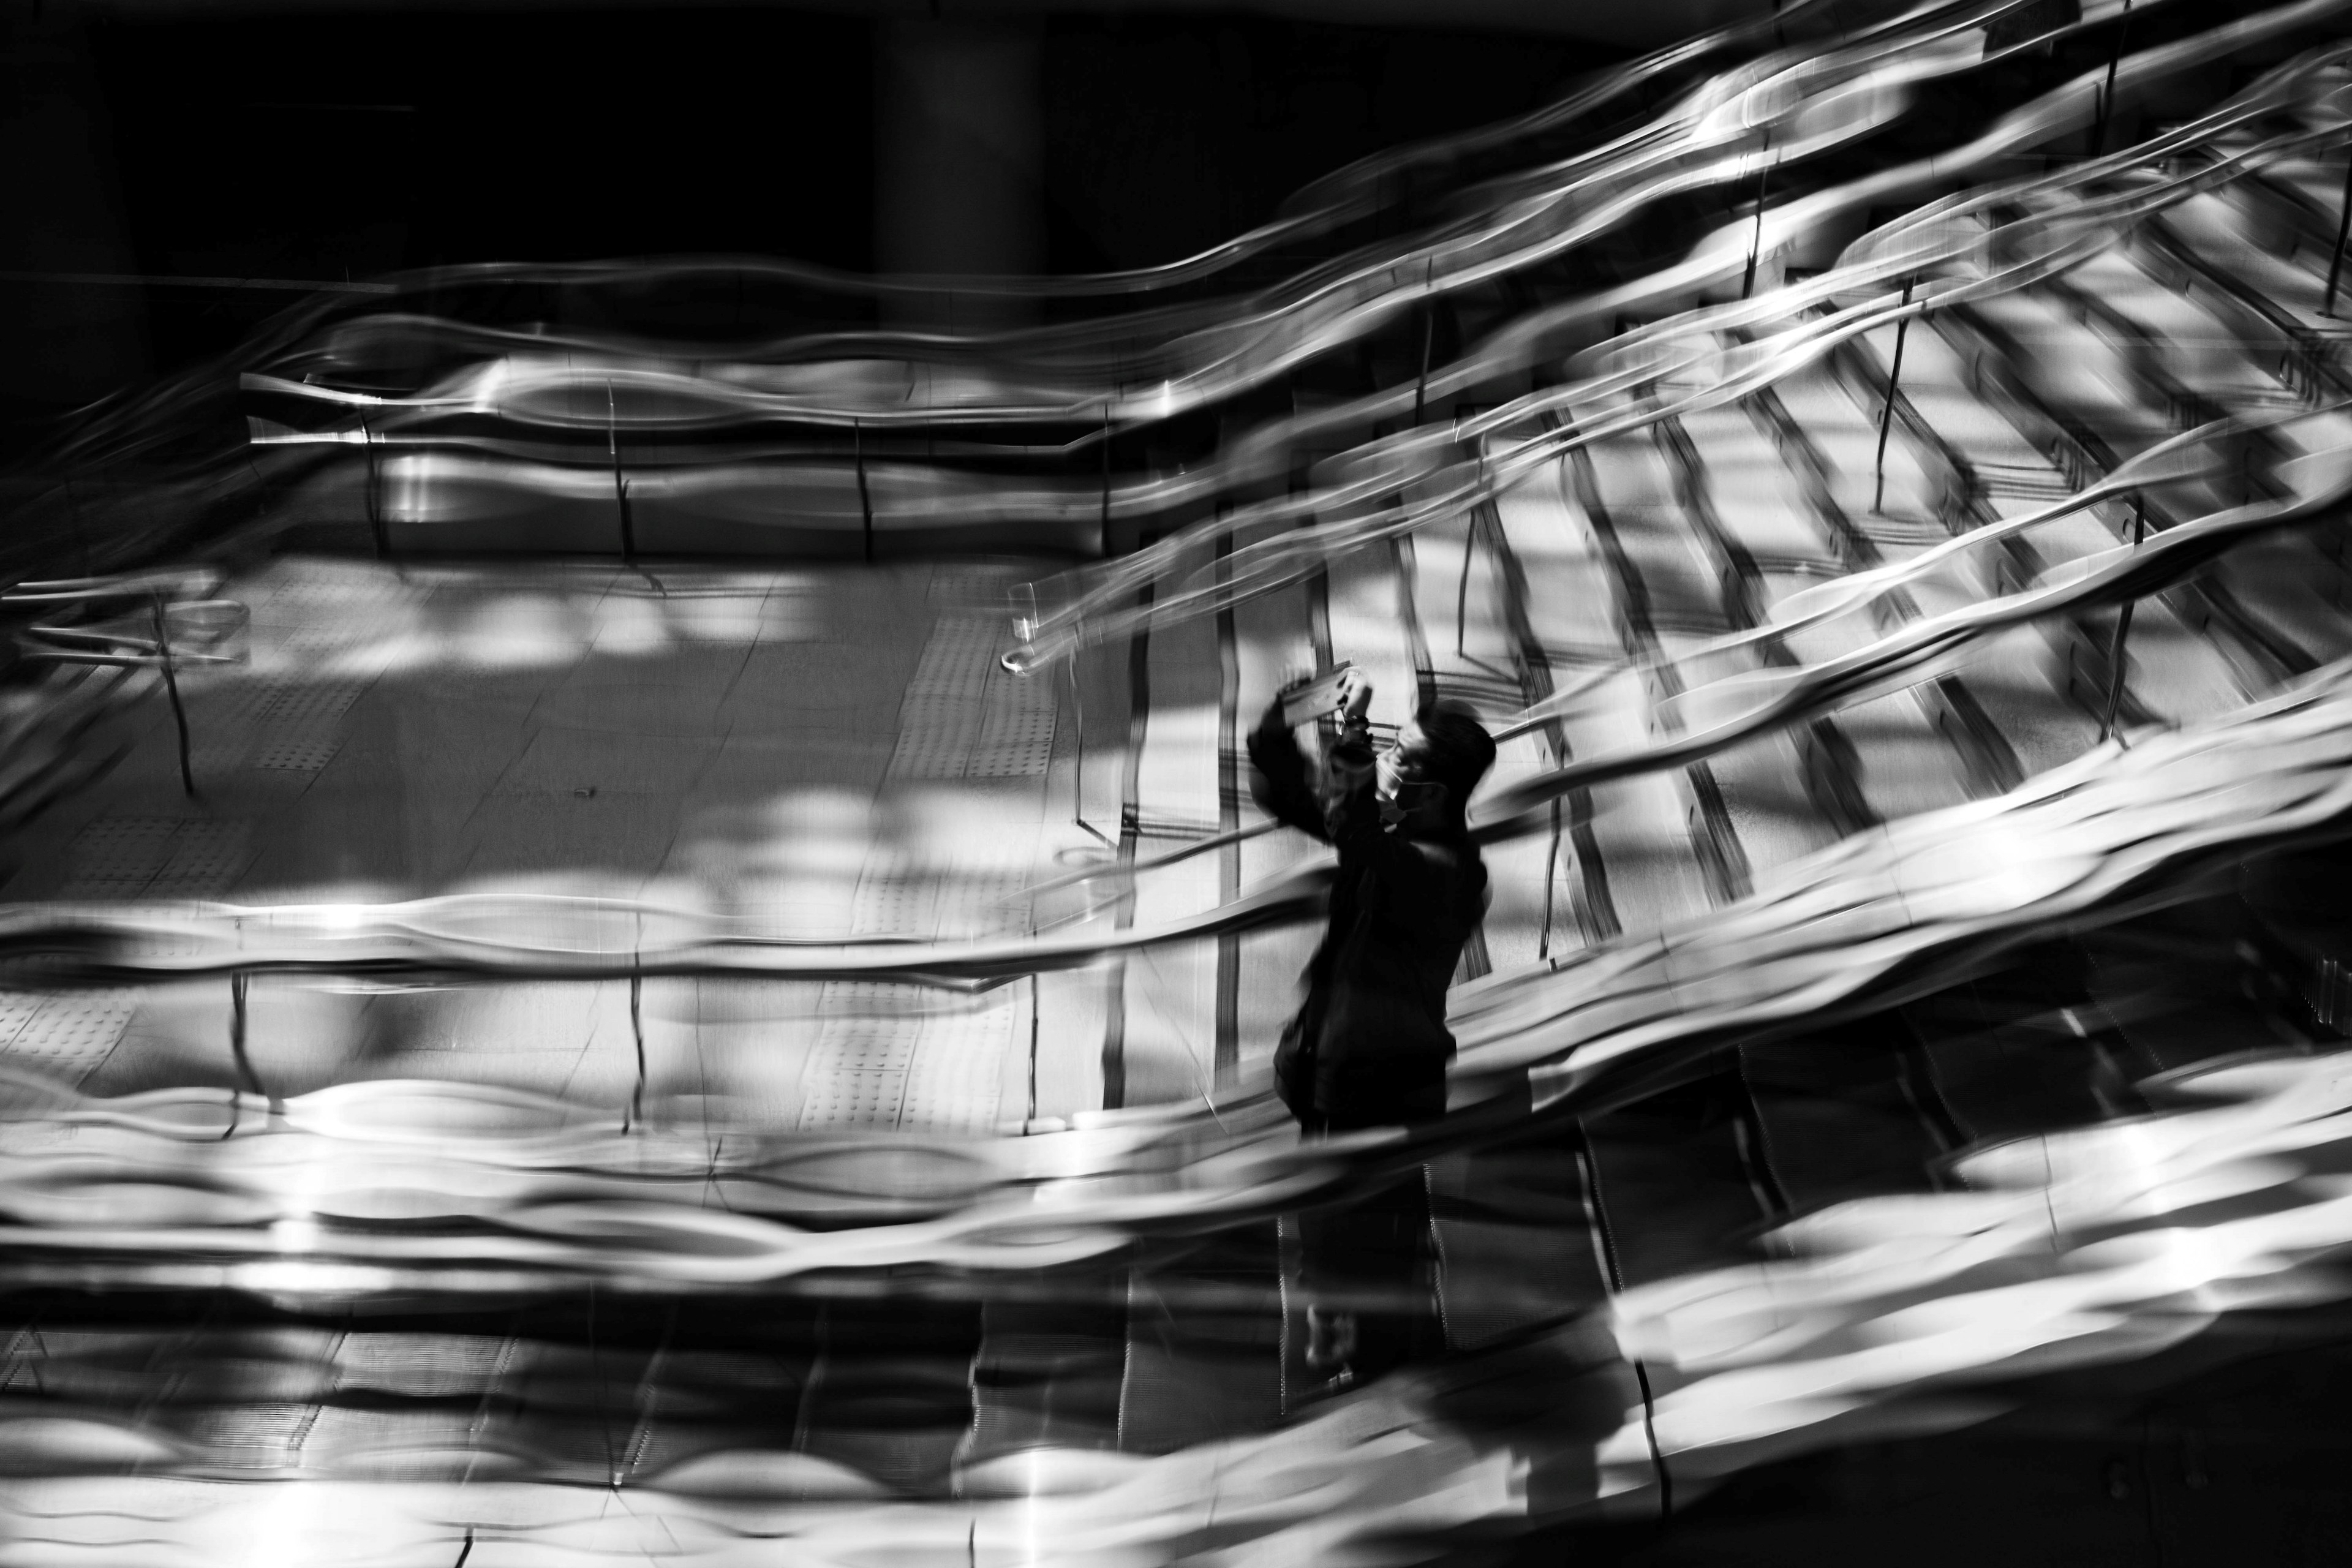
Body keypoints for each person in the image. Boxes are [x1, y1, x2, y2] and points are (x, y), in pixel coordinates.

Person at [1246, 668, 1496, 1385]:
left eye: (1400, 756)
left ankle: (1380, 1382)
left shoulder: (1447, 871)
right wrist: (1276, 732)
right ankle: (1367, 1362)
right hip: (1334, 1075)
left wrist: (1350, 735)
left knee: (1363, 1250)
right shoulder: (1391, 837)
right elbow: (1301, 800)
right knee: (1338, 1241)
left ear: (1436, 792)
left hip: (1379, 1090)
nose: (1386, 761)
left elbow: (1352, 830)